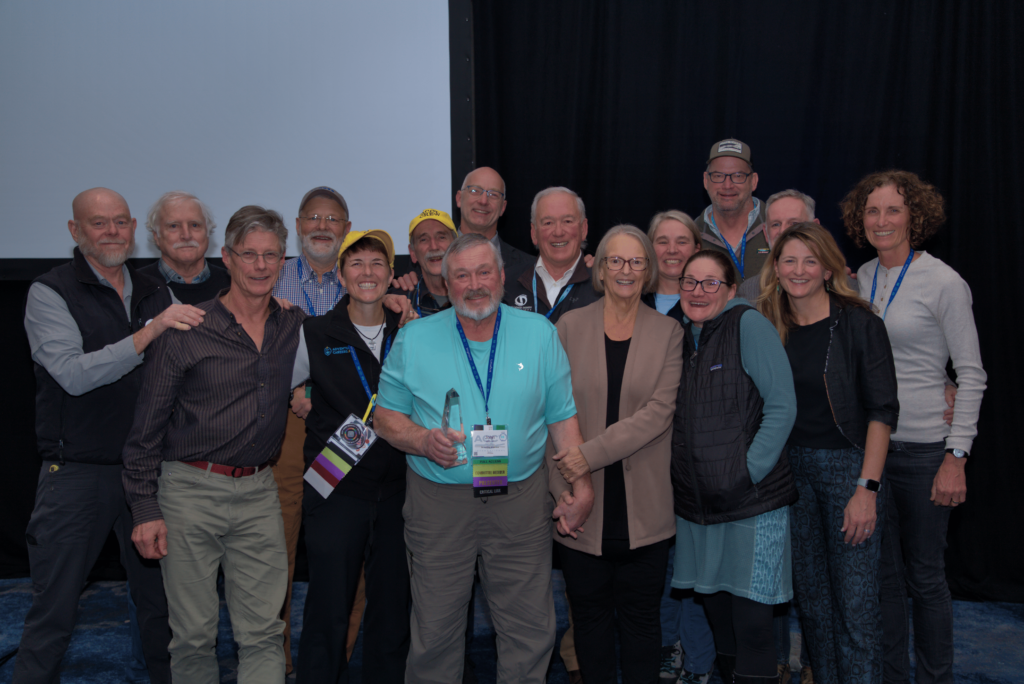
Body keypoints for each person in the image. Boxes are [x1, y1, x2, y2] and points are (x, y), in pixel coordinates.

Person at [374, 233, 590, 684]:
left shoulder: (540, 334)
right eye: (462, 275)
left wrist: (580, 486)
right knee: (435, 631)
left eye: (484, 272)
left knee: (529, 629)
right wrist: (420, 440)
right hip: (439, 503)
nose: (475, 285)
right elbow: (385, 418)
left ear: (502, 276)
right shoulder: (414, 338)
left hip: (520, 500)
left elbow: (562, 419)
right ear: (446, 283)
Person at [14, 188, 207, 683]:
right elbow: (74, 376)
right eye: (99, 224)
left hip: (148, 474)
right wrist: (149, 333)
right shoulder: (50, 292)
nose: (112, 232)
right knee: (53, 611)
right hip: (77, 473)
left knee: (161, 608)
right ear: (75, 231)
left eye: (120, 222)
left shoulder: (152, 290)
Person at [123, 205, 306, 683]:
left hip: (259, 493)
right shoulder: (187, 328)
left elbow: (351, 330)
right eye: (250, 254)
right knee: (193, 637)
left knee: (266, 633)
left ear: (284, 262)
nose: (261, 265)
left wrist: (397, 304)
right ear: (226, 258)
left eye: (271, 255)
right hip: (188, 493)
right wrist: (144, 508)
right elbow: (145, 431)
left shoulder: (293, 325)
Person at [841, 170, 987, 684]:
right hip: (872, 449)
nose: (882, 221)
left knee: (925, 580)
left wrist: (956, 455)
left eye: (893, 210)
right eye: (872, 211)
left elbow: (971, 374)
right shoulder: (860, 276)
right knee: (882, 579)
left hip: (927, 451)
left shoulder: (944, 283)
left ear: (915, 217)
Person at [758, 222, 900, 684]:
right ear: (775, 268)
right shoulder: (766, 321)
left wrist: (867, 489)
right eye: (789, 260)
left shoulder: (860, 322)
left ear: (827, 268)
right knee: (814, 604)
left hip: (848, 472)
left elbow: (882, 412)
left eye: (809, 260)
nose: (799, 270)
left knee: (856, 607)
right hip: (790, 474)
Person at [548, 224, 684, 682]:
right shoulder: (569, 326)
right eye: (615, 261)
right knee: (589, 623)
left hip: (644, 508)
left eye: (636, 261)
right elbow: (554, 409)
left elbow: (659, 413)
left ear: (648, 270)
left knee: (643, 624)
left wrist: (589, 455)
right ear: (600, 268)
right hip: (579, 504)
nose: (626, 270)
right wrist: (566, 484)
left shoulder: (668, 332)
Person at [671, 250, 797, 684]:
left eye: (710, 283)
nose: (698, 291)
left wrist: (747, 473)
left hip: (751, 505)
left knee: (753, 625)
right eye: (690, 281)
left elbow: (782, 405)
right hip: (697, 508)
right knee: (718, 615)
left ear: (730, 289)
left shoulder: (749, 325)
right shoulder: (681, 334)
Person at [290, 230, 410, 683]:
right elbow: (276, 382)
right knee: (329, 603)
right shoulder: (314, 333)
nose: (367, 272)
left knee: (392, 603)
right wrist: (298, 393)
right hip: (336, 486)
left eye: (377, 263)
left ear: (390, 275)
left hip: (400, 487)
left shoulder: (411, 329)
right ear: (340, 276)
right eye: (356, 263)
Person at [505, 186, 600, 320]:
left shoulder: (603, 285)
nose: (558, 232)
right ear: (534, 233)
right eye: (548, 223)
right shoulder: (506, 284)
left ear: (583, 229)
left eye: (567, 221)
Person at [694, 139, 768, 286]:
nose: (727, 185)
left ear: (753, 181)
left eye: (738, 176)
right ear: (705, 180)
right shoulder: (692, 236)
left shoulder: (777, 224)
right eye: (718, 176)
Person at [138, 191, 231, 304]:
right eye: (173, 226)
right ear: (156, 236)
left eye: (195, 225)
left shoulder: (233, 284)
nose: (186, 235)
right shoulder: (136, 284)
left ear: (207, 232)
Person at [737, 189, 819, 302]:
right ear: (766, 233)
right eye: (776, 224)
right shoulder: (749, 292)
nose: (783, 230)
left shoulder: (842, 286)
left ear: (815, 228)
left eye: (794, 223)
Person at [642, 210, 701, 322]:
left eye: (682, 242)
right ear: (650, 250)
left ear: (696, 250)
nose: (672, 250)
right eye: (663, 242)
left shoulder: (709, 303)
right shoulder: (632, 300)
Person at [404, 208, 459, 315]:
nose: (434, 247)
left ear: (456, 246)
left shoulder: (474, 293)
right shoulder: (400, 300)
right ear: (413, 253)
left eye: (441, 237)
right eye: (424, 239)